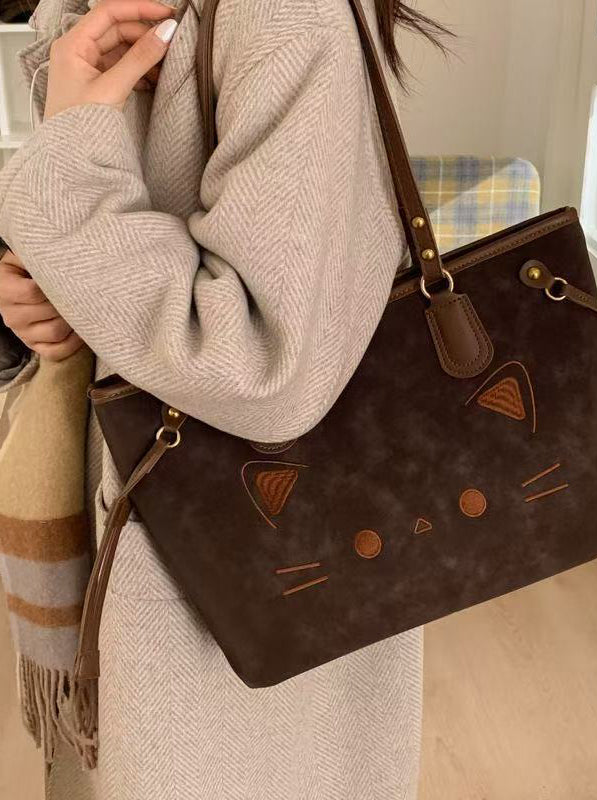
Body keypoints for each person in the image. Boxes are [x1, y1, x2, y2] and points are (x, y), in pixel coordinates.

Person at [0, 0, 447, 796]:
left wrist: (66, 190)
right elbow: (122, 247)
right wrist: (43, 289)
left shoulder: (283, 14)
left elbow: (264, 362)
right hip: (162, 541)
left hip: (232, 581)